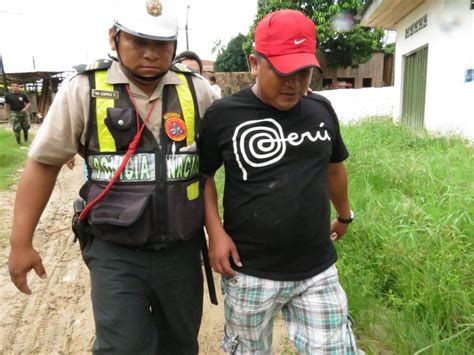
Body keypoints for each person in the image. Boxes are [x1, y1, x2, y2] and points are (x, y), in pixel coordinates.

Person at [8, 1, 215, 354]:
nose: (151, 53)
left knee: (180, 345)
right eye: (138, 41)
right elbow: (44, 164)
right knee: (124, 347)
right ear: (114, 38)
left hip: (181, 253)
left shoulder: (197, 90)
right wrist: (20, 243)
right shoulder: (83, 89)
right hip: (115, 252)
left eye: (162, 44)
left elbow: (212, 167)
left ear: (175, 47)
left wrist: (219, 233)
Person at [200, 9, 358, 354]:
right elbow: (204, 176)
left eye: (303, 73)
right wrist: (216, 232)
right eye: (283, 71)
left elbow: (334, 168)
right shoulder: (224, 115)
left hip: (317, 269)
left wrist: (344, 215)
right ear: (255, 63)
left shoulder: (321, 110)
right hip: (250, 270)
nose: (294, 83)